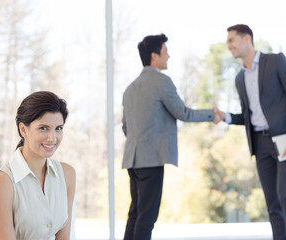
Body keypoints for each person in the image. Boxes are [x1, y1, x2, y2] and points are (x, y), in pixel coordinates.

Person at [121, 33, 220, 240]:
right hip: (151, 159)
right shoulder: (161, 82)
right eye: (166, 52)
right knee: (147, 216)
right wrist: (212, 114)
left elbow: (125, 128)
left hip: (132, 160)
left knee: (135, 214)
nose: (169, 56)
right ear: (154, 56)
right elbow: (183, 113)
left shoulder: (130, 89)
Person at [214, 24, 286, 240]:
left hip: (283, 137)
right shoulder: (239, 79)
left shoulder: (275, 61)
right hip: (259, 143)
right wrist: (226, 117)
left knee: (285, 197)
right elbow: (246, 117)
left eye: (231, 40)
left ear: (247, 39)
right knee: (272, 203)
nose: (228, 46)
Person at [0, 91, 76, 240]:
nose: (52, 138)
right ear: (23, 129)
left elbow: (64, 237)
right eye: (43, 128)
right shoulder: (2, 182)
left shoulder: (67, 174)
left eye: (58, 128)